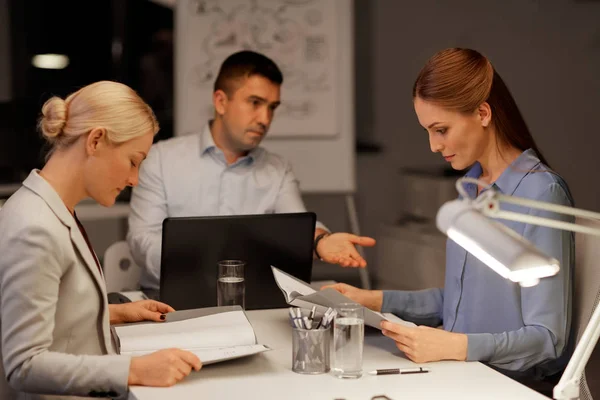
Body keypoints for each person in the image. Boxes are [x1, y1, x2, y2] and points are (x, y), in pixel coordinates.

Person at [325, 48, 574, 386]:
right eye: (428, 131)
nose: (433, 145)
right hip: (459, 373)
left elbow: (547, 339)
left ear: (483, 113)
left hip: (506, 384)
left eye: (440, 129)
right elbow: (457, 303)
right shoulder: (469, 191)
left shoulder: (541, 194)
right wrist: (371, 300)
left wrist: (456, 345)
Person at [0, 81, 201, 400]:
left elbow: (44, 309)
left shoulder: (51, 207)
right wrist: (134, 370)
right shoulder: (33, 227)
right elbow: (24, 365)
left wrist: (116, 311)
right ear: (96, 140)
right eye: (133, 161)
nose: (134, 179)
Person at [128, 50, 376, 291]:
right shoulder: (161, 159)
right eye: (255, 103)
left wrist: (321, 241)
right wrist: (204, 266)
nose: (265, 119)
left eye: (272, 107)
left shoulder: (278, 170)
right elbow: (142, 240)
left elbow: (296, 228)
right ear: (221, 101)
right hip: (169, 299)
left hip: (250, 301)